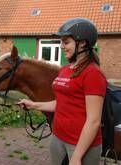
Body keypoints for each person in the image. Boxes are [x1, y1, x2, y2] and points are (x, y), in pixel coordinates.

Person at [17, 18, 107, 165]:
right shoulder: (65, 70)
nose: (62, 46)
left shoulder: (93, 74)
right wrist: (33, 105)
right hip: (58, 138)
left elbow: (94, 121)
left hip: (81, 145)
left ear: (82, 43)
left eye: (66, 42)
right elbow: (62, 103)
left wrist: (77, 156)